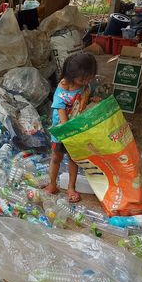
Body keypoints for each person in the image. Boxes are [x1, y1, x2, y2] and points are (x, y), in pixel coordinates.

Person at [45, 52, 98, 203]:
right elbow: (60, 108)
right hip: (62, 130)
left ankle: (71, 188)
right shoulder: (64, 86)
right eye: (83, 79)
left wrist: (91, 99)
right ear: (71, 75)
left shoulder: (83, 85)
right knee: (56, 157)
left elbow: (82, 100)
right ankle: (52, 184)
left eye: (89, 78)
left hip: (76, 129)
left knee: (74, 159)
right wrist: (66, 129)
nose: (86, 81)